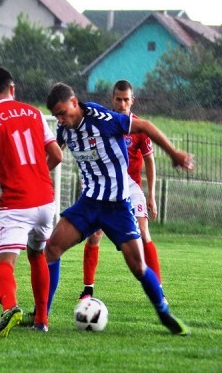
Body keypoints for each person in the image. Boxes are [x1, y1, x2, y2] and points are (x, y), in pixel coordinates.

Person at [45, 82, 193, 336]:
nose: (60, 119)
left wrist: (173, 153)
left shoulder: (102, 119)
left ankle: (164, 313)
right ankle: (41, 317)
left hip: (117, 206)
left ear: (74, 103)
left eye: (63, 113)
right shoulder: (64, 129)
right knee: (52, 248)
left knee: (138, 267)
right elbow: (53, 155)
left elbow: (145, 126)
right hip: (89, 203)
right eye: (56, 115)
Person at [0, 67, 63, 337]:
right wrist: (37, 174)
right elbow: (57, 154)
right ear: (13, 88)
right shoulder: (34, 113)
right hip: (46, 201)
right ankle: (42, 320)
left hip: (17, 203)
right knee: (37, 254)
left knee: (3, 262)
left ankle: (10, 307)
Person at [79, 80, 163, 300]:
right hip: (106, 185)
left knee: (143, 232)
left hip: (131, 186)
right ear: (112, 99)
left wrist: (152, 196)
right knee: (94, 234)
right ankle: (88, 289)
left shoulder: (139, 127)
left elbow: (150, 161)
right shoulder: (102, 123)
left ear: (132, 100)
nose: (123, 104)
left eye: (126, 100)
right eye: (119, 99)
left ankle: (159, 290)